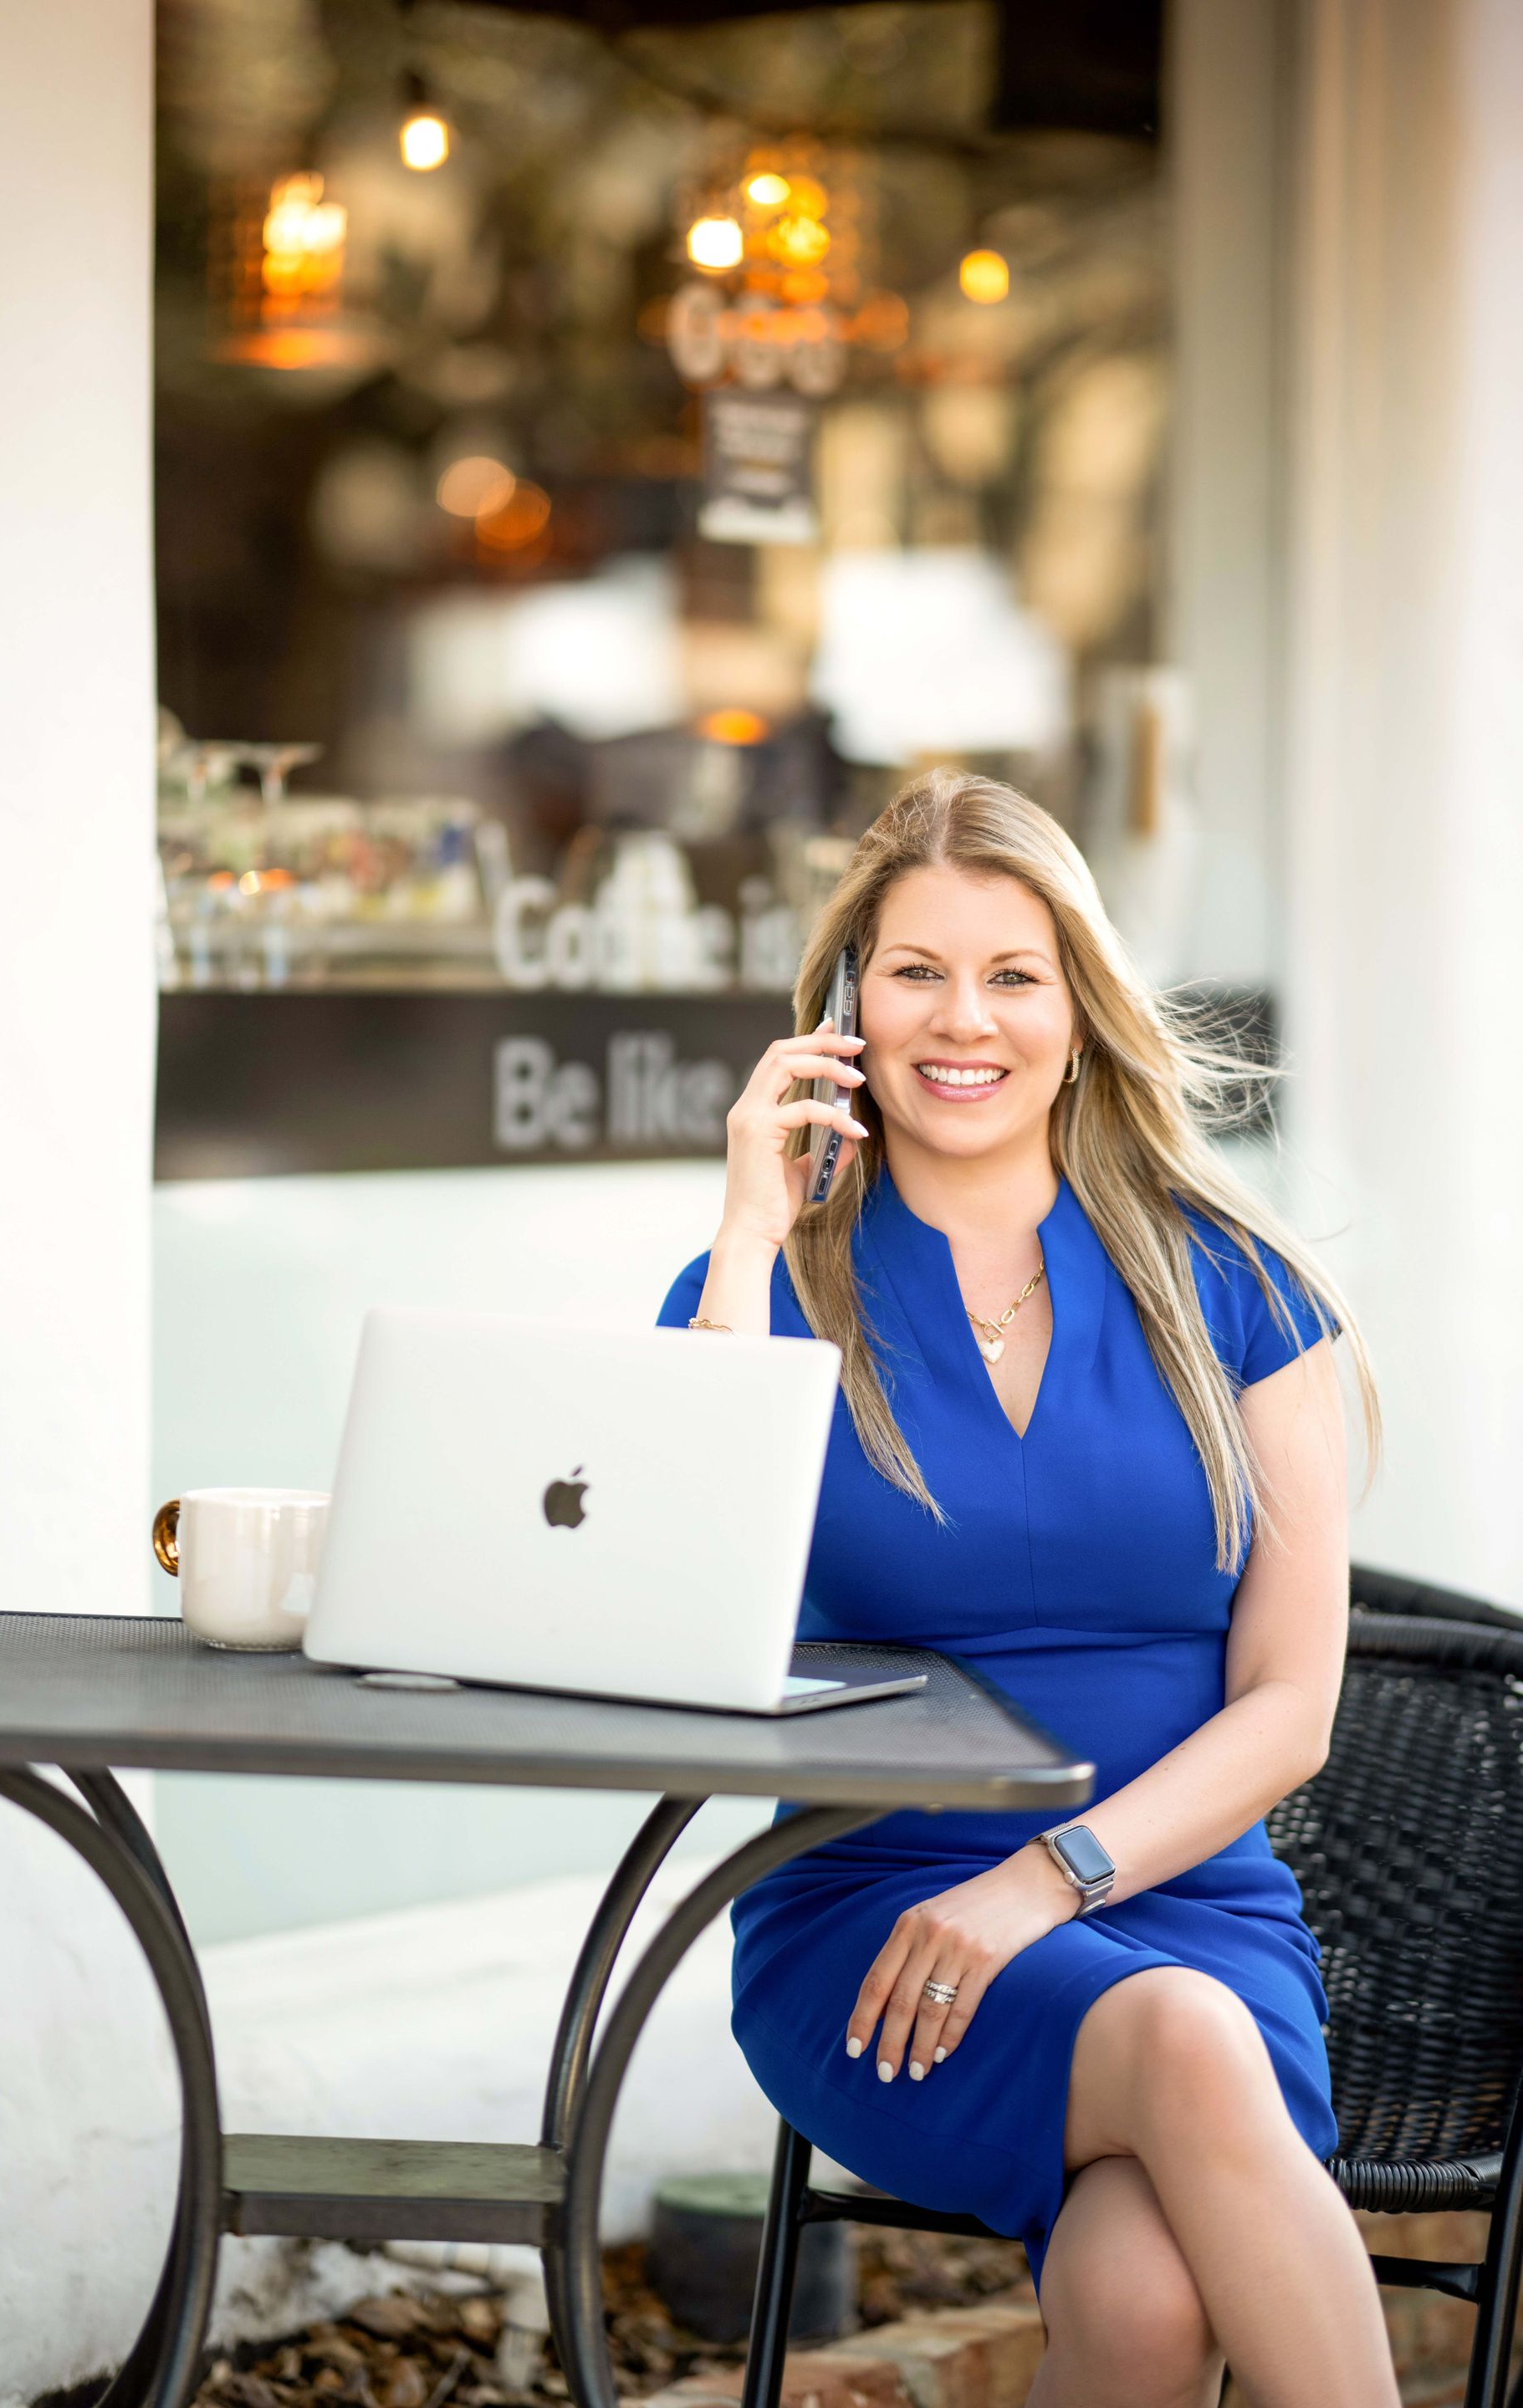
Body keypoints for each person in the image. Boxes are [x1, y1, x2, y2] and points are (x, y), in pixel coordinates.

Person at [657, 772, 1396, 2408]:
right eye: (915, 970)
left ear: (1080, 1006)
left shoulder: (1243, 1283)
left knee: (1137, 2303)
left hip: (1179, 1897)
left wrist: (1049, 1880)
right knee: (1183, 2054)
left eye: (1013, 973)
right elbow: (679, 1613)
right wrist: (745, 1225)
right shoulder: (765, 1284)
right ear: (851, 1004)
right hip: (875, 1921)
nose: (960, 1018)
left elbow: (1293, 1708)